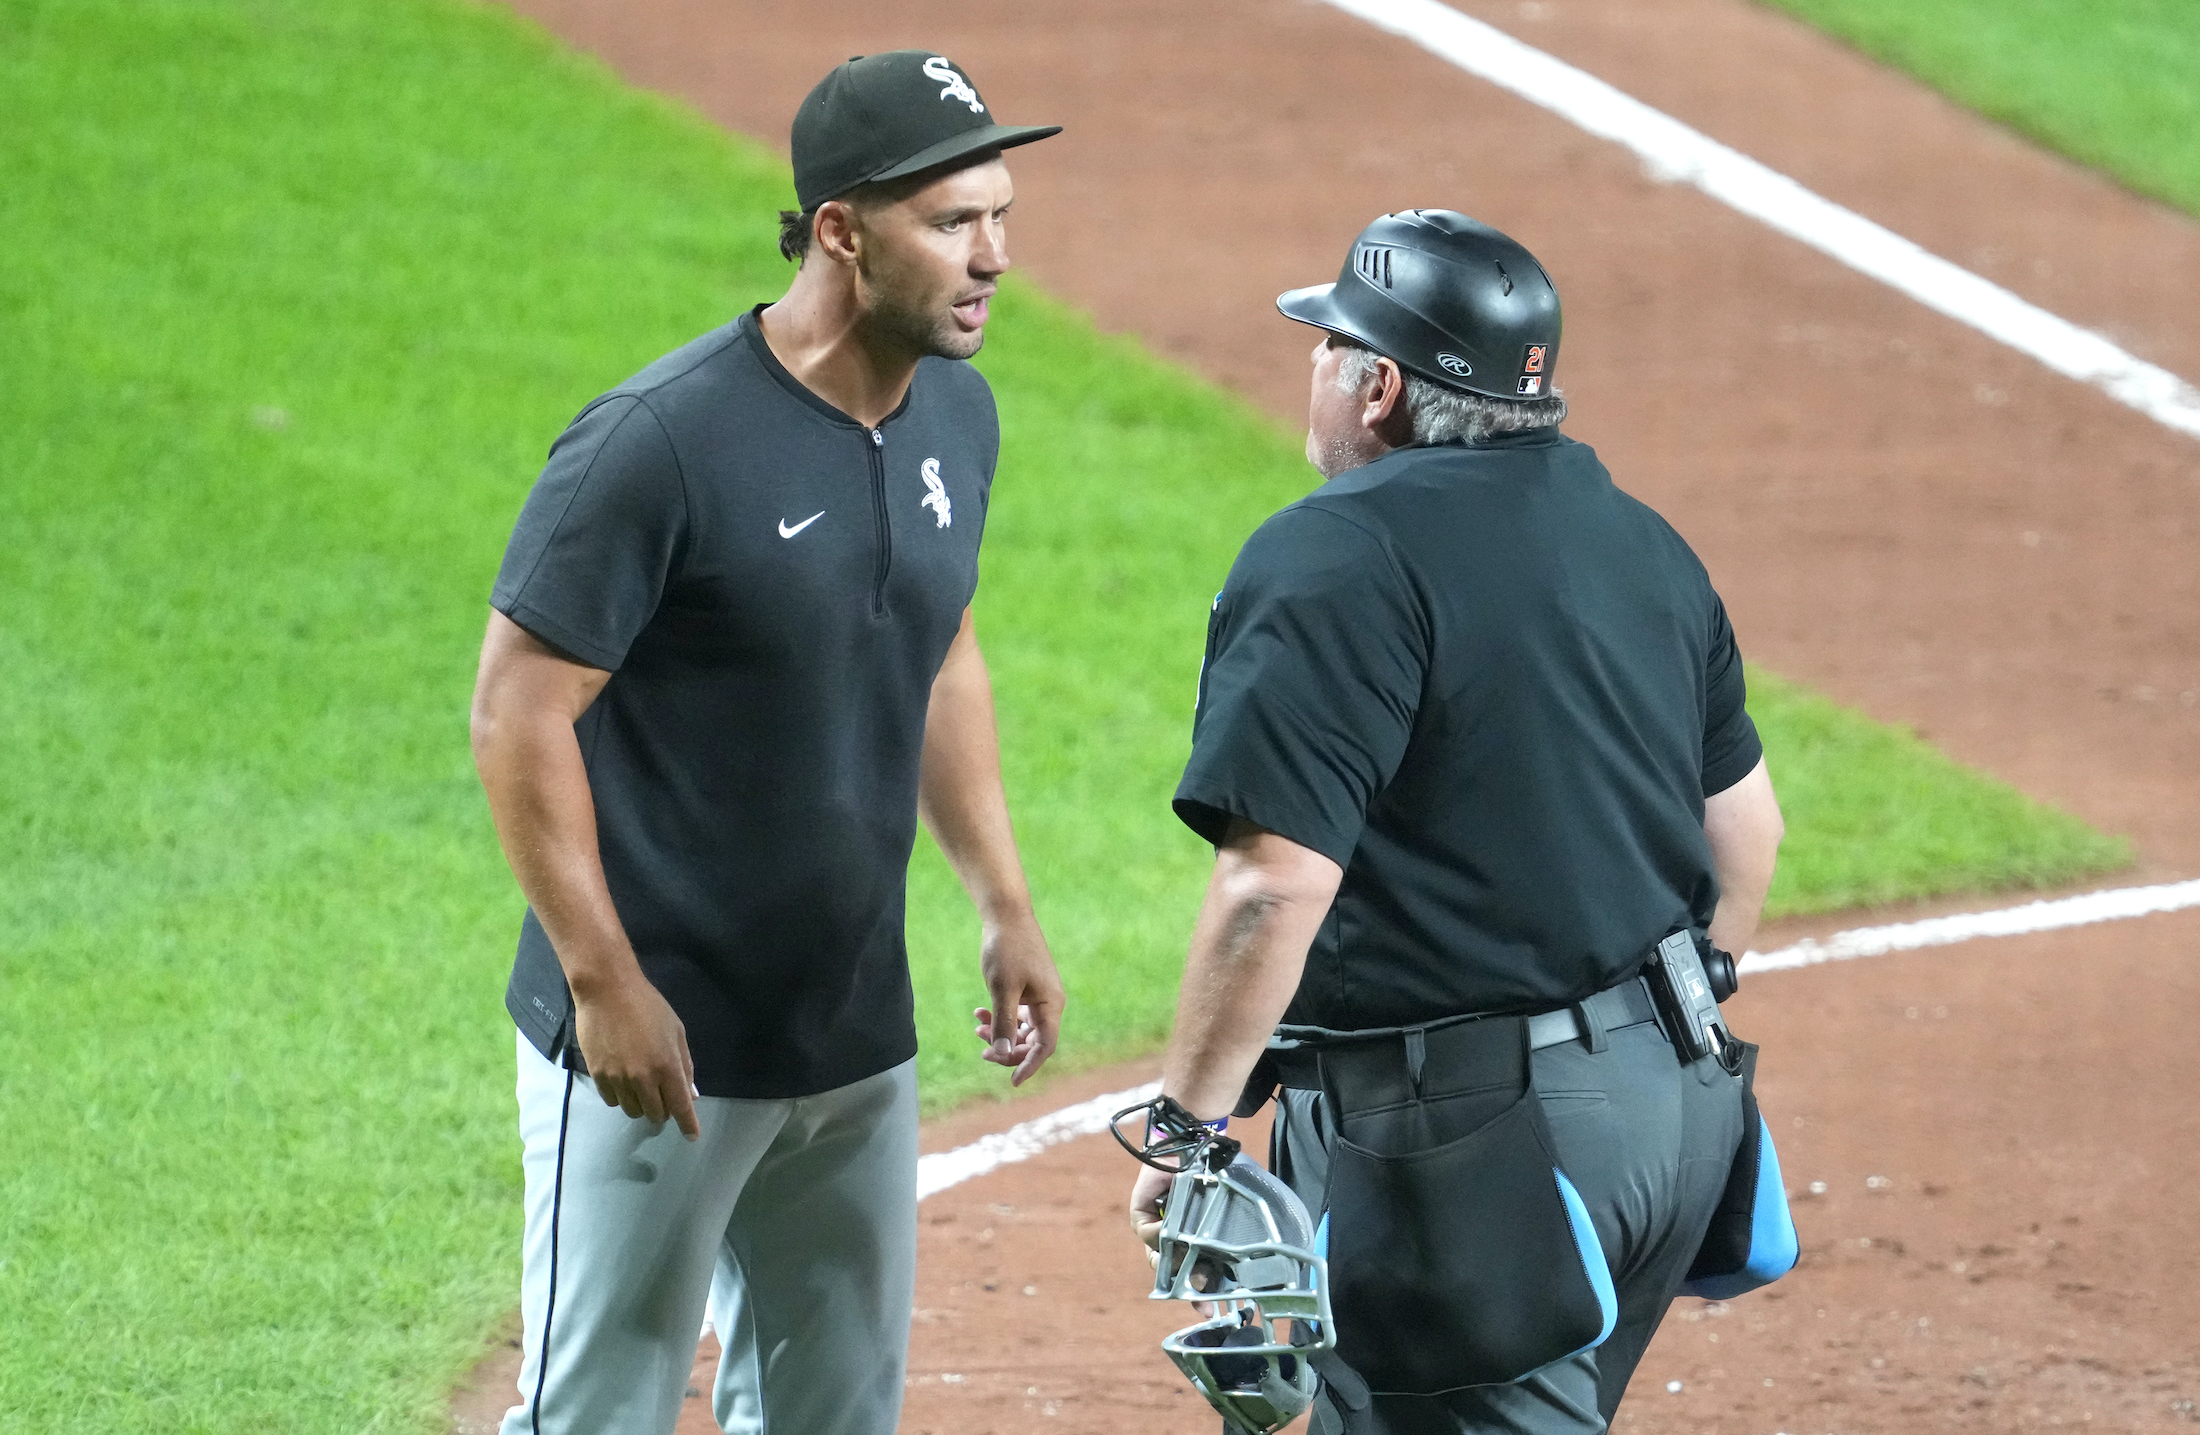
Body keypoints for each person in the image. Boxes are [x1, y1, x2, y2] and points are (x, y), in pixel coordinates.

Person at [469, 50, 1066, 1435]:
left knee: (833, 1411)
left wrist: (1003, 899)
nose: (993, 259)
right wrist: (603, 978)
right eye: (953, 223)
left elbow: (942, 643)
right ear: (842, 230)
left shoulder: (957, 414)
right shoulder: (661, 442)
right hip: (655, 1036)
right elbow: (518, 707)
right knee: (597, 1409)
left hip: (854, 1020)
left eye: (1001, 215)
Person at [1126, 210, 1787, 1434]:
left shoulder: (1336, 552)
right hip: (1678, 1117)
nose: (1312, 369)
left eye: (1327, 346)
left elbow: (1271, 883)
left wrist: (1187, 1124)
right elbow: (1745, 832)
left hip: (1469, 1152)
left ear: (1377, 385)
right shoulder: (1639, 539)